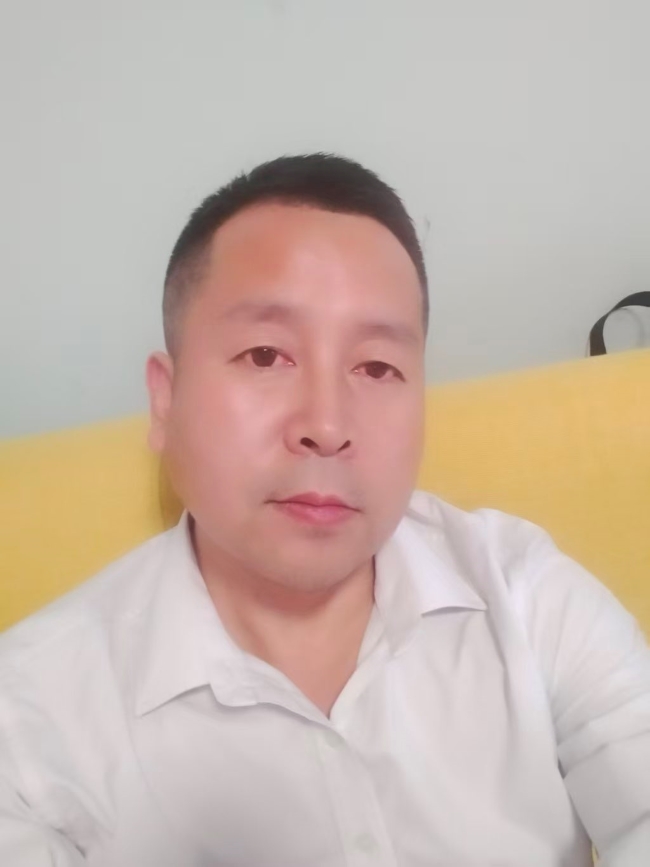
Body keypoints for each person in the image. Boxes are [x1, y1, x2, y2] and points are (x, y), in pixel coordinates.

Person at [0, 153, 648, 867]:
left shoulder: (524, 596)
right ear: (166, 400)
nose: (328, 424)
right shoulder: (30, 724)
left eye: (377, 367)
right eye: (265, 355)